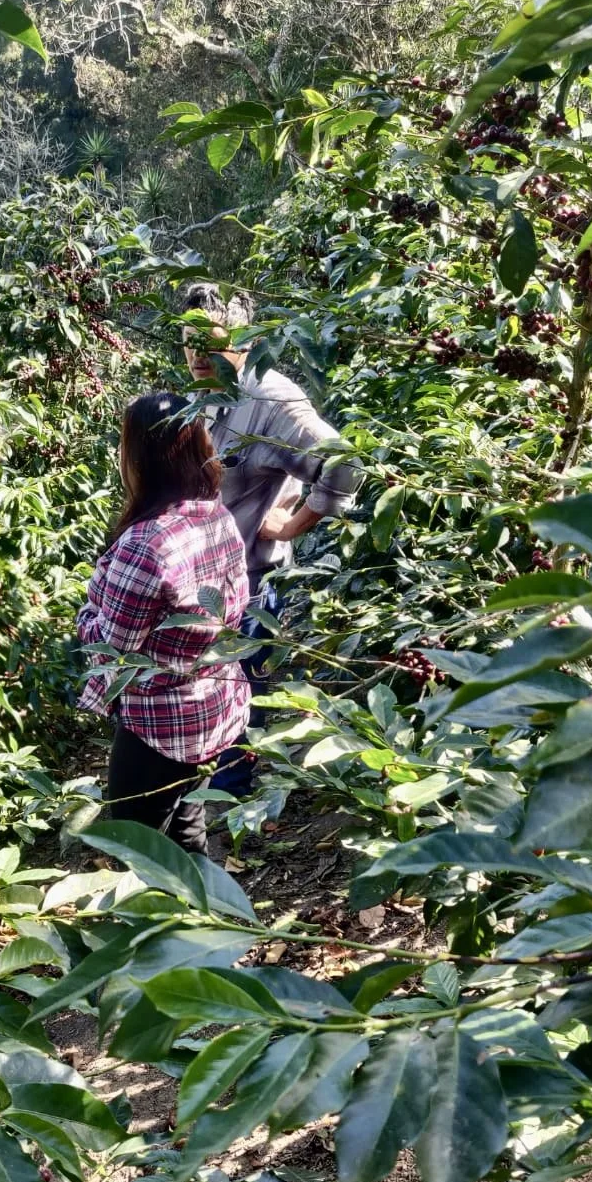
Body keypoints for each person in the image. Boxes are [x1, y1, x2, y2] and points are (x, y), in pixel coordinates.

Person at [178, 280, 357, 796]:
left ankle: (231, 816)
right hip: (196, 582)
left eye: (213, 343)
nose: (198, 355)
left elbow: (343, 461)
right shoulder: (204, 393)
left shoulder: (271, 400)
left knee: (235, 704)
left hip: (247, 588)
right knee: (201, 698)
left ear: (247, 340)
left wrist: (298, 521)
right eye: (190, 342)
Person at [77, 393, 250, 856]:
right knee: (186, 819)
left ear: (136, 456)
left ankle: (162, 922)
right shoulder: (216, 516)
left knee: (138, 842)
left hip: (163, 720)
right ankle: (205, 916)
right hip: (213, 703)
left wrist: (85, 615)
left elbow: (115, 652)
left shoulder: (146, 541)